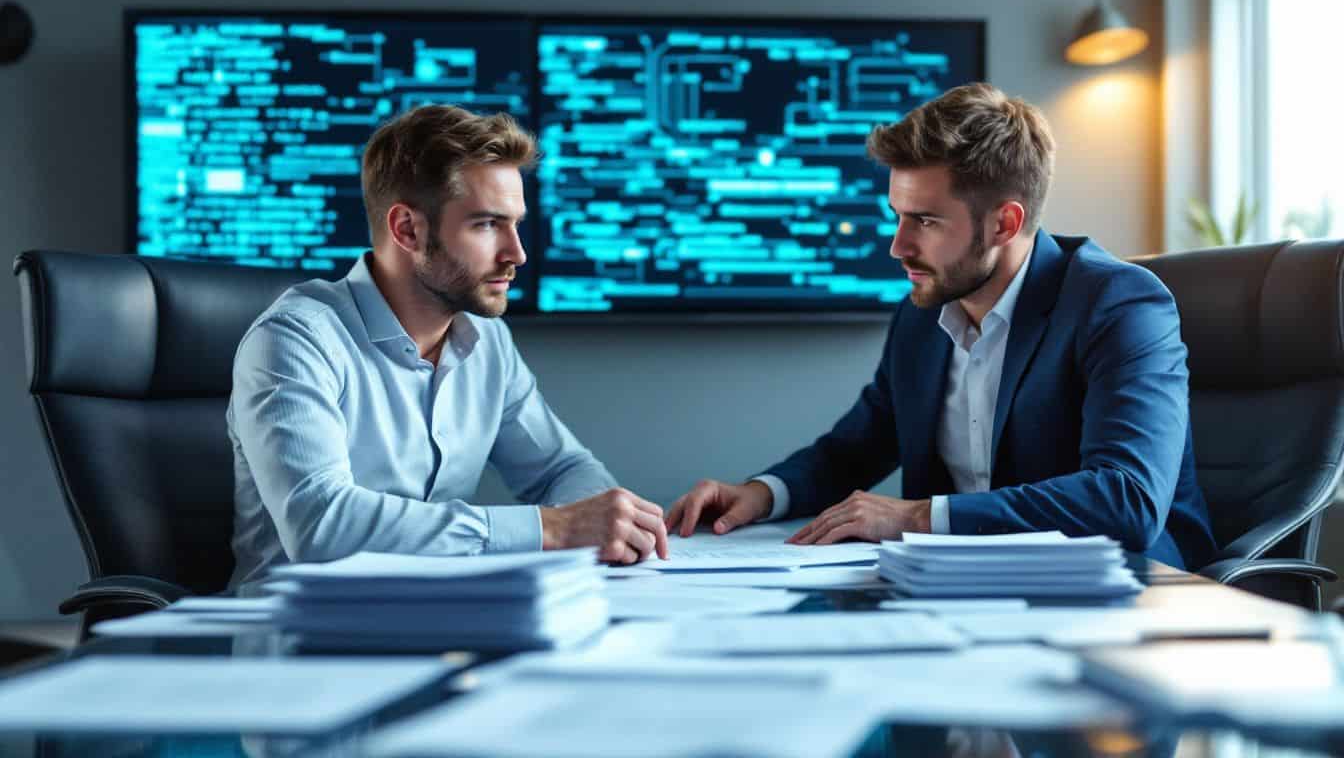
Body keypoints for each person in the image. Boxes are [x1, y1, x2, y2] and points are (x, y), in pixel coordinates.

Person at [666, 82, 1217, 569]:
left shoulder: (1120, 304)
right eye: (898, 216)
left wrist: (917, 517)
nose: (898, 245)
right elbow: (855, 449)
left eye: (926, 221)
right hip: (965, 587)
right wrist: (761, 495)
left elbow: (1126, 500)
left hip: (1134, 590)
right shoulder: (922, 315)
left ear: (1004, 224)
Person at [228, 105, 668, 592]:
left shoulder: (486, 341)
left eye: (515, 224)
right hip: (295, 628)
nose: (517, 253)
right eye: (487, 225)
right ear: (408, 230)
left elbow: (564, 469)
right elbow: (321, 525)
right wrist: (552, 529)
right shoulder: (295, 339)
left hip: (443, 616)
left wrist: (598, 523)